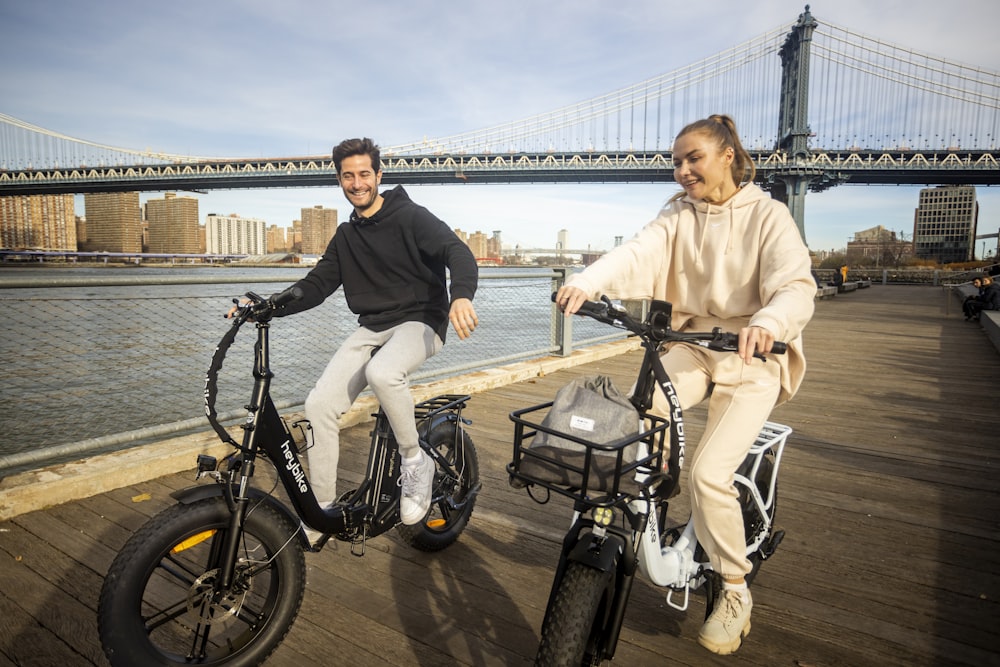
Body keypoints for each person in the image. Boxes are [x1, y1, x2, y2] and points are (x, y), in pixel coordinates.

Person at [555, 114, 815, 655]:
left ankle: (736, 589)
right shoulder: (676, 214)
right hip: (694, 345)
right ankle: (652, 513)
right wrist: (587, 280)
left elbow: (793, 282)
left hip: (752, 356)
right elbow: (638, 253)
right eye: (675, 161)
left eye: (692, 158)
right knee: (635, 420)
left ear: (728, 155)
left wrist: (769, 322)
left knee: (710, 474)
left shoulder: (770, 216)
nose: (682, 170)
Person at [231, 137, 479, 541]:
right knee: (319, 404)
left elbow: (457, 251)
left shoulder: (410, 216)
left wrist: (461, 295)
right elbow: (316, 285)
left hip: (422, 320)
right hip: (374, 326)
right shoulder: (346, 236)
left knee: (384, 372)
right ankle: (322, 512)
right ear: (339, 179)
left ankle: (416, 463)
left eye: (365, 173)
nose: (357, 182)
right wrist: (265, 305)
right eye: (348, 175)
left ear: (379, 176)